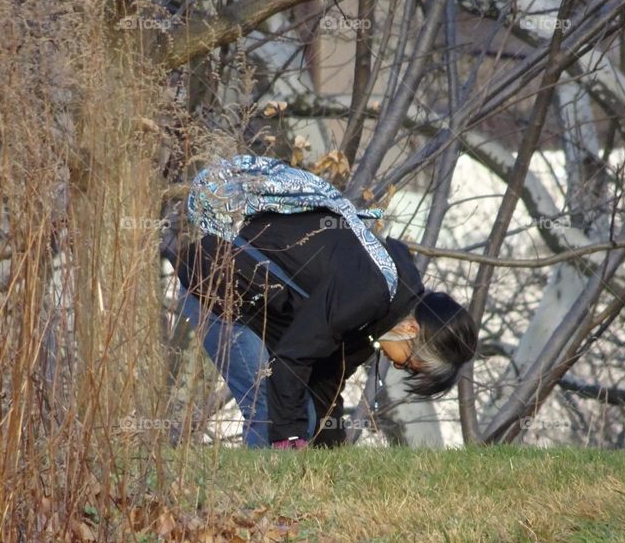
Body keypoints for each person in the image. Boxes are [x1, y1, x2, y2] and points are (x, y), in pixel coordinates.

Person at [164, 155, 477, 448]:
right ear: (410, 328)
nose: (396, 365)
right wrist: (289, 441)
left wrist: (328, 453)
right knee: (268, 408)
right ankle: (256, 500)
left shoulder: (382, 314)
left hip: (256, 303)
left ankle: (281, 489)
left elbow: (327, 380)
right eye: (406, 363)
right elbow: (291, 359)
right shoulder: (370, 294)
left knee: (303, 413)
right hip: (217, 290)